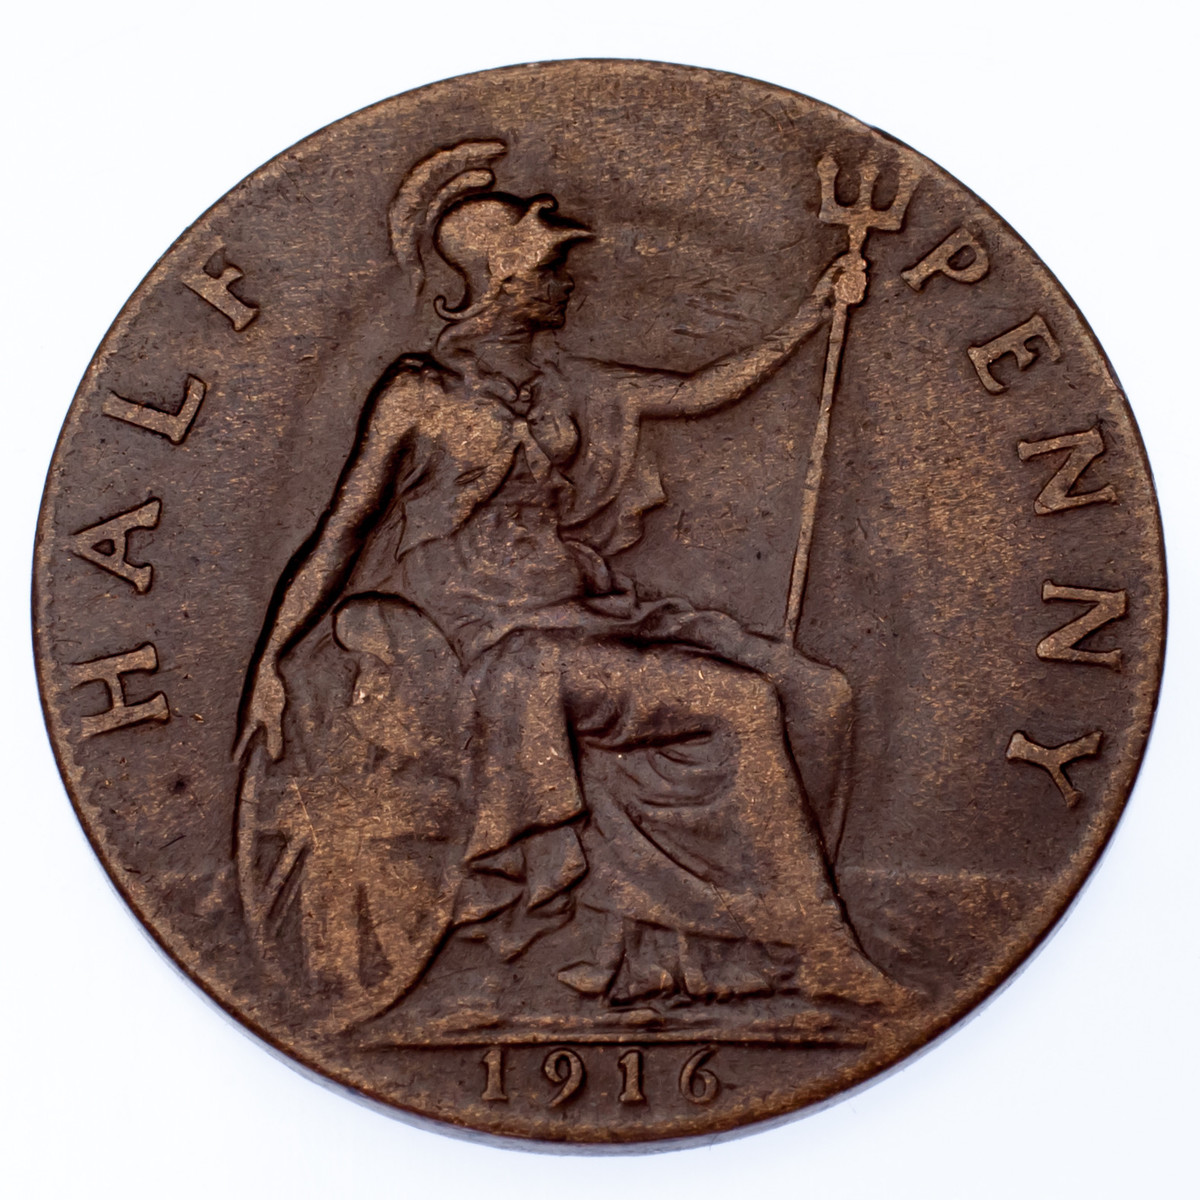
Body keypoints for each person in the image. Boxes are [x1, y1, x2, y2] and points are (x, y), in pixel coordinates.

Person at [235, 140, 902, 1029]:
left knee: (818, 695)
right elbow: (339, 532)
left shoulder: (568, 385)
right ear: (501, 280)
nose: (567, 283)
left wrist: (816, 314)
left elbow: (701, 391)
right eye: (550, 268)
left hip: (590, 615)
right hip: (485, 650)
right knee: (740, 705)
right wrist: (272, 660)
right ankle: (820, 950)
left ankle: (707, 957)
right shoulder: (418, 395)